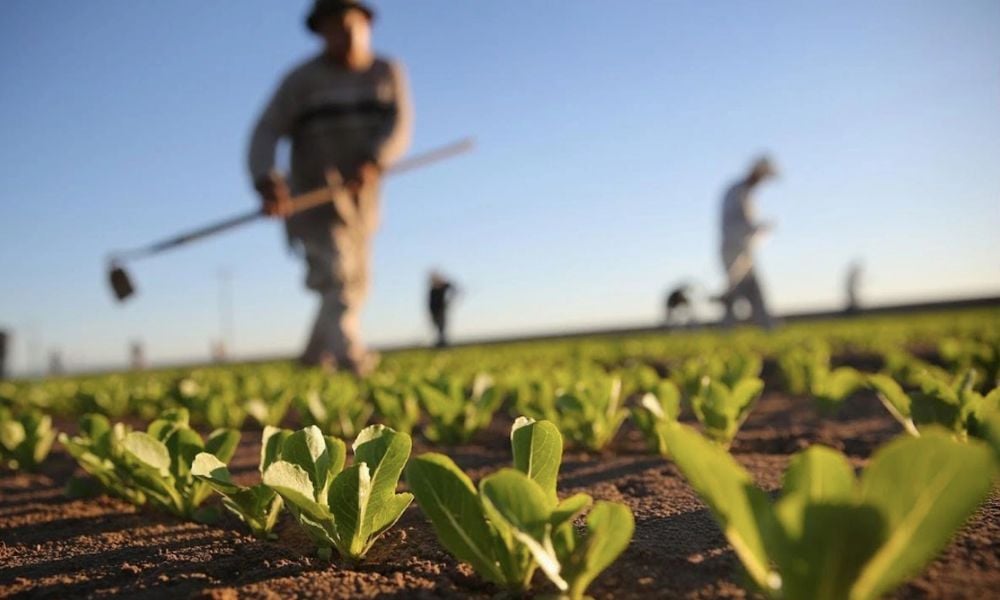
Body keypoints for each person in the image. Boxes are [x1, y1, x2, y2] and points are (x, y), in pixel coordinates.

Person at [248, 0, 412, 374]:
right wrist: (266, 178)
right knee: (338, 278)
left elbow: (399, 125)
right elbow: (266, 130)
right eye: (334, 28)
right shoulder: (301, 81)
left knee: (357, 283)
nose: (345, 35)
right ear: (320, 32)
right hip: (313, 199)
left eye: (351, 26)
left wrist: (375, 159)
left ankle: (312, 358)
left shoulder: (387, 72)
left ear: (367, 24)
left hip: (362, 202)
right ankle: (351, 359)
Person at [718, 156, 777, 329]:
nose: (763, 181)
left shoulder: (746, 193)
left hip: (745, 251)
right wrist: (758, 227)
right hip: (734, 250)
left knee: (752, 291)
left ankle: (766, 327)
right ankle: (729, 329)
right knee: (736, 291)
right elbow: (736, 223)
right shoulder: (736, 192)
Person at [428, 271, 457, 348]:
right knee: (438, 328)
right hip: (434, 312)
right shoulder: (432, 290)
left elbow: (453, 287)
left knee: (442, 327)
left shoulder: (443, 287)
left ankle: (443, 343)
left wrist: (449, 300)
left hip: (441, 311)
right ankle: (440, 342)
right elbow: (430, 303)